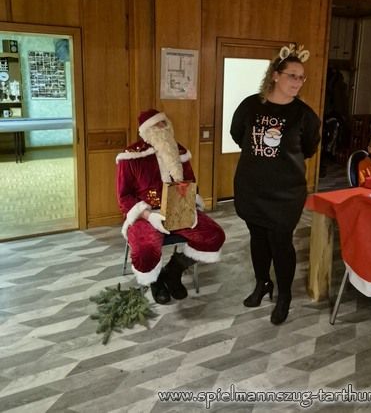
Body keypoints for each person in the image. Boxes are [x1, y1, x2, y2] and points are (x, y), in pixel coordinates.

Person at [230, 48, 321, 325]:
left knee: (281, 243)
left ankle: (284, 297)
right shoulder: (250, 106)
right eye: (292, 75)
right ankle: (263, 283)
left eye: (301, 77)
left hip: (286, 194)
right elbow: (237, 134)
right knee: (258, 238)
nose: (297, 82)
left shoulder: (304, 115)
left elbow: (308, 148)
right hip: (252, 188)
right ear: (275, 76)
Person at [116, 109, 225, 304]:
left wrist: (186, 204)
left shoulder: (179, 151)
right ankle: (155, 281)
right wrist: (148, 215)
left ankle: (173, 271)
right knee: (145, 249)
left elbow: (191, 183)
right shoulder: (131, 156)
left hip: (178, 209)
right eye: (157, 124)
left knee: (214, 235)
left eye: (164, 123)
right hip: (146, 214)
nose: (163, 128)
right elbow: (124, 197)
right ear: (146, 130)